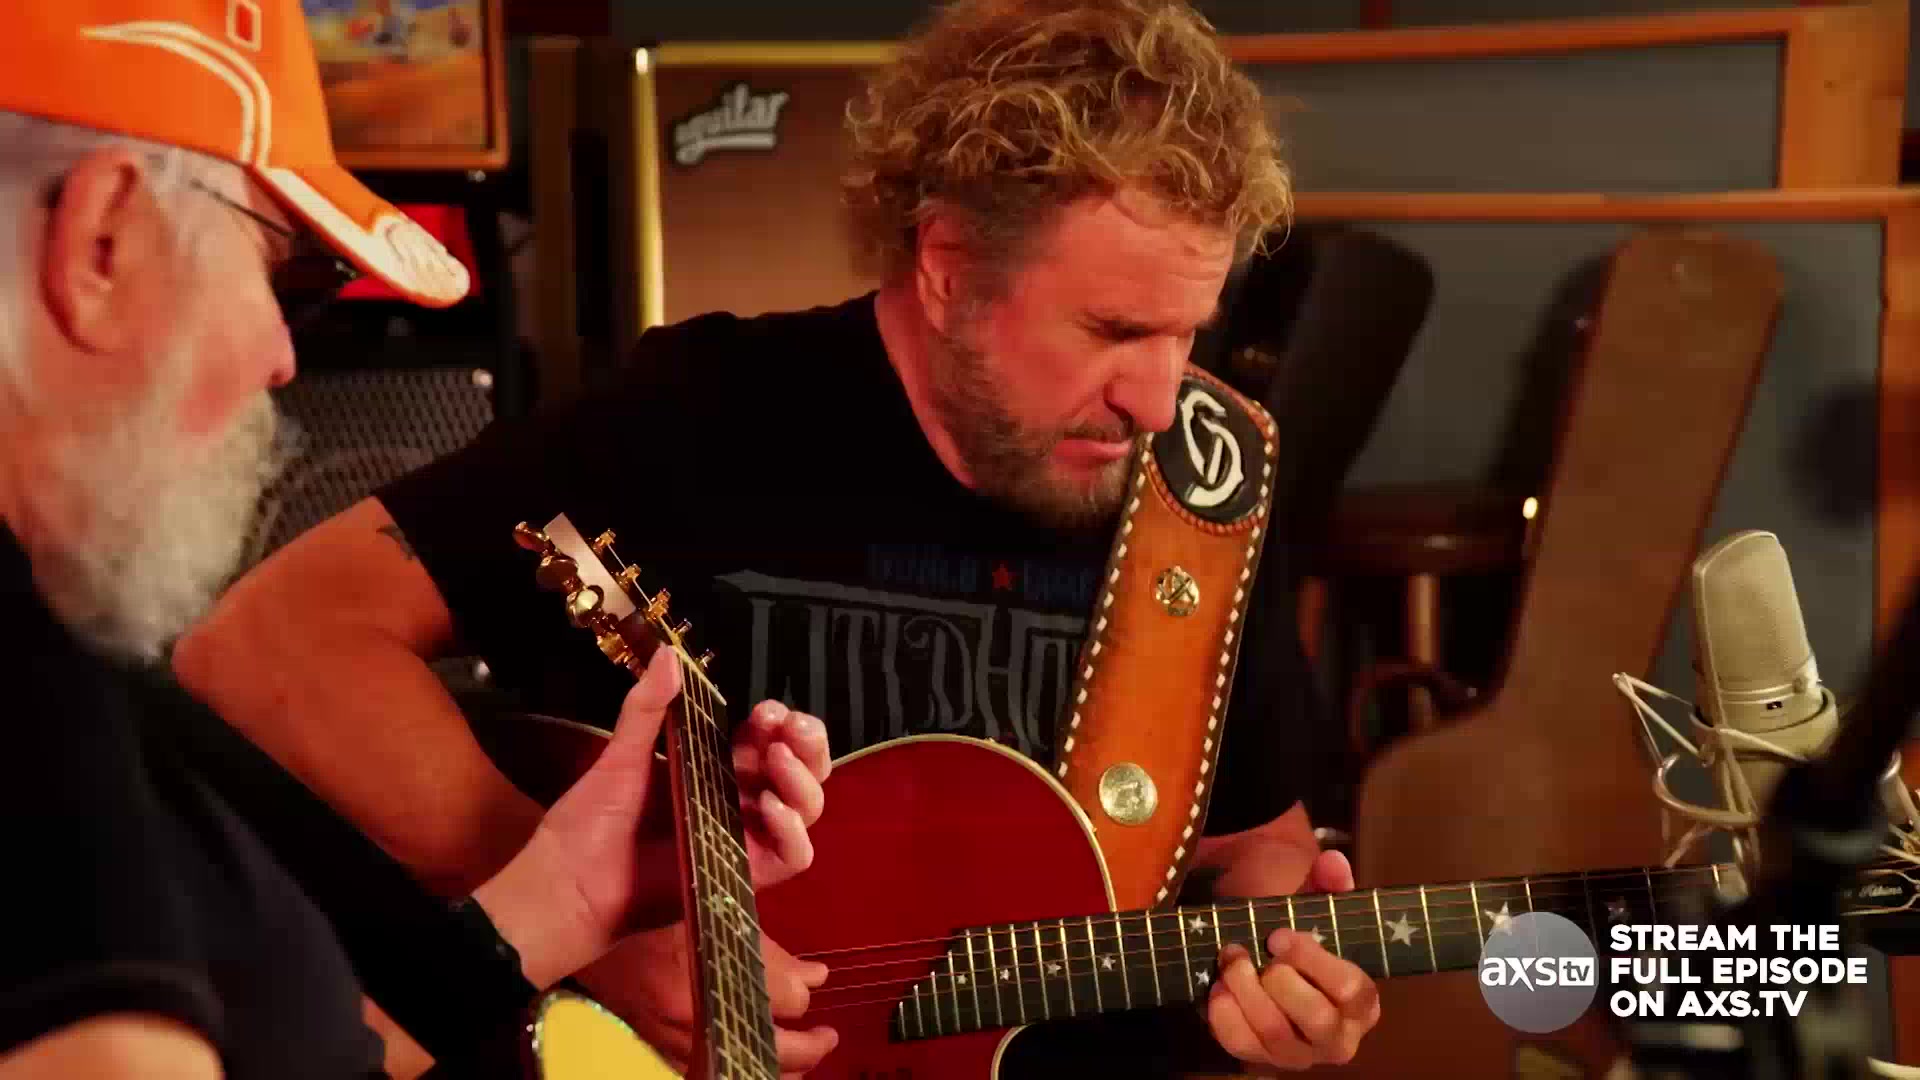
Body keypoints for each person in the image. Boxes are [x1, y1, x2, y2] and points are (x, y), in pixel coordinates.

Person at [177, 0, 1383, 1073]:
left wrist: (1288, 992)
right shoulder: (697, 419)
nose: (1160, 399)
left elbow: (1256, 847)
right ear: (949, 267)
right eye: (1116, 331)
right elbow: (273, 643)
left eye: (1187, 332)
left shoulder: (1201, 485)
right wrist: (589, 929)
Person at [0, 3, 830, 1078]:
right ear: (103, 242)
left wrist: (575, 895)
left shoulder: (90, 692)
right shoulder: (29, 713)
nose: (282, 357)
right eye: (281, 272)